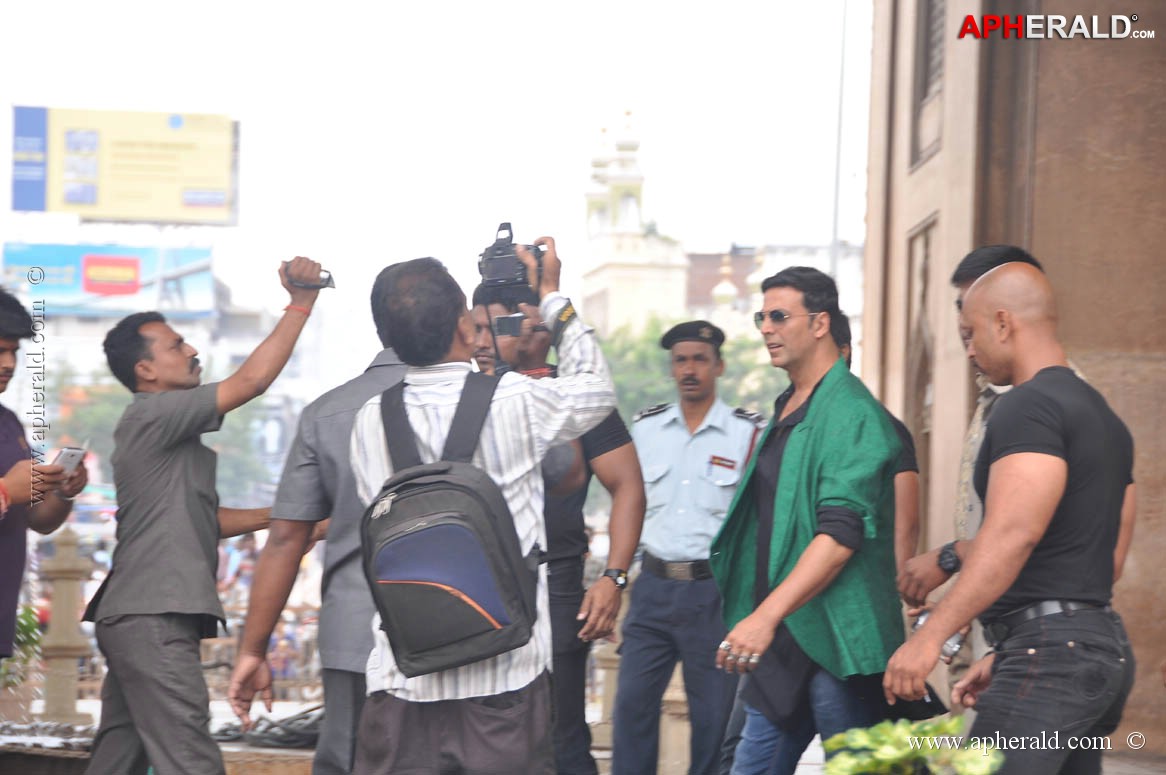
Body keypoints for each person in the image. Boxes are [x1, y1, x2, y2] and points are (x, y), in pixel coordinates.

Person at [324, 241, 611, 773]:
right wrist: (552, 297)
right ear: (465, 326)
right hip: (503, 684)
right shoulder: (514, 400)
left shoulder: (369, 420)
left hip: (400, 680)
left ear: (387, 339)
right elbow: (595, 391)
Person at [883, 262, 1136, 775]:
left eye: (971, 334)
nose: (970, 351)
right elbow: (1101, 563)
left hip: (1056, 660)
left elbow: (1013, 534)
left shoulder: (1028, 406)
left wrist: (932, 638)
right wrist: (1015, 646)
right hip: (1095, 650)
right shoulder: (1105, 418)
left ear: (1004, 323)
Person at [83, 257, 325, 775]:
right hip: (152, 617)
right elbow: (253, 381)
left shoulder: (168, 436)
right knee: (190, 759)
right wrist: (300, 304)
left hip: (135, 616)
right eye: (176, 345)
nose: (192, 350)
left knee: (119, 758)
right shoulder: (154, 413)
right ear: (145, 371)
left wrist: (289, 520)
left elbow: (204, 522)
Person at [710, 267, 902, 775]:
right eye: (761, 317)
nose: (765, 328)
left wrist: (764, 617)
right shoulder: (792, 402)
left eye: (778, 316)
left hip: (833, 639)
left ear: (820, 323)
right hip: (787, 639)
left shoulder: (851, 413)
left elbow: (840, 535)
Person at [227, 267, 406, 775]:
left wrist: (253, 649)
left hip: (356, 634)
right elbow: (566, 474)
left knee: (349, 759)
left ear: (380, 327)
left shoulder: (329, 412)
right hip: (463, 633)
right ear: (457, 324)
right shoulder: (495, 404)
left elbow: (286, 540)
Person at [471, 283, 646, 775]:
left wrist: (612, 579)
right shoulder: (460, 396)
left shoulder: (575, 401)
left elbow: (629, 487)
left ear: (538, 330)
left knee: (562, 734)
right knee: (483, 731)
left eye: (495, 327)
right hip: (481, 587)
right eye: (476, 327)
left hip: (557, 583)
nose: (482, 340)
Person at [612, 320, 763, 775]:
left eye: (699, 359)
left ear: (719, 365)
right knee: (631, 709)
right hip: (652, 589)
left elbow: (757, 521)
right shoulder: (646, 430)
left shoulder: (747, 433)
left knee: (713, 719)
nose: (689, 369)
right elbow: (629, 503)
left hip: (712, 595)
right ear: (672, 368)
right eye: (681, 360)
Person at [0, 288, 88, 662]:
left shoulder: (9, 424)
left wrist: (63, 492)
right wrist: (5, 489)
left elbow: (37, 520)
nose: (8, 363)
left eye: (13, 352)